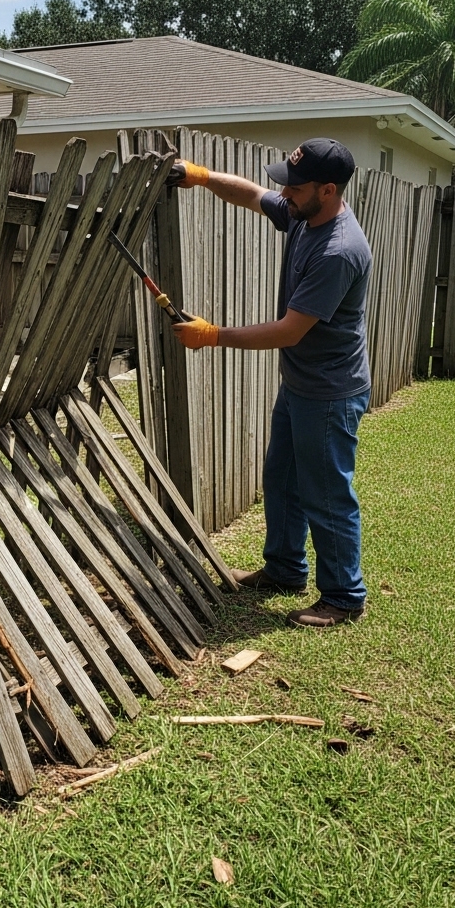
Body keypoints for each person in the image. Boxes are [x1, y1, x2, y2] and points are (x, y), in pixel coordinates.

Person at [166, 138, 371, 629]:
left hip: (329, 392)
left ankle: (343, 597)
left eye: (295, 188)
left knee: (326, 494)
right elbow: (254, 195)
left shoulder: (338, 250)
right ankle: (284, 570)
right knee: (281, 479)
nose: (286, 194)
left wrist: (213, 335)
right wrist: (201, 176)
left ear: (328, 189)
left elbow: (289, 330)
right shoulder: (304, 213)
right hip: (302, 382)